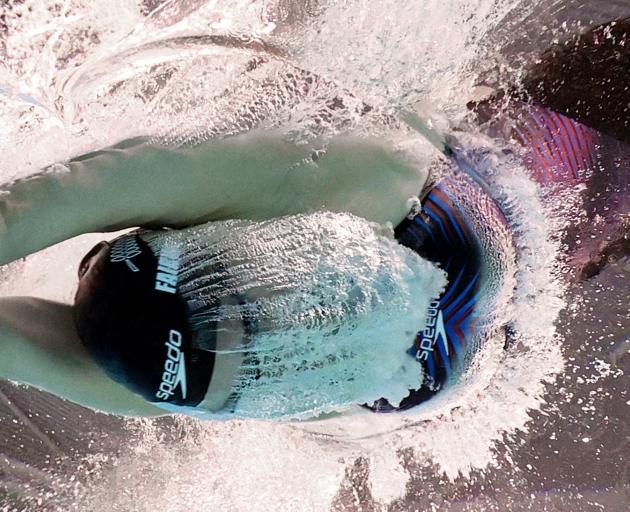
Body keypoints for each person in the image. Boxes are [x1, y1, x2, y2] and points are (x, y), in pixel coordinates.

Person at [0, 18, 626, 419]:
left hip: (445, 232)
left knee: (109, 185)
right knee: (166, 383)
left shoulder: (378, 175)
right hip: (439, 369)